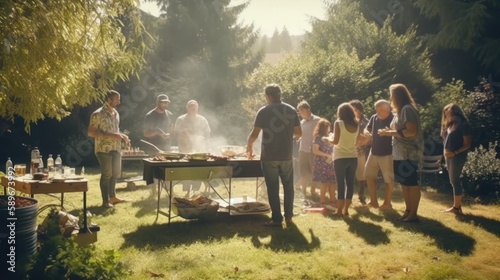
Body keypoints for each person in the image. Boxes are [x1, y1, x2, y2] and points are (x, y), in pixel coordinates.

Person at [247, 83, 302, 227]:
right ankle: (289, 217)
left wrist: (249, 148)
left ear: (268, 96)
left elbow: (254, 135)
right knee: (288, 187)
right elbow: (299, 133)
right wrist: (286, 133)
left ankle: (277, 219)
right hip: (286, 155)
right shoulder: (291, 110)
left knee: (273, 188)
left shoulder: (263, 111)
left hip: (269, 156)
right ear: (280, 95)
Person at [379, 83, 423, 222]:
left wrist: (389, 133)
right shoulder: (400, 111)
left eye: (392, 95)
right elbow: (399, 130)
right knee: (404, 182)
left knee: (411, 183)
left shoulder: (407, 109)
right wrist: (389, 131)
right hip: (399, 152)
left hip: (409, 152)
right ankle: (408, 211)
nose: (390, 98)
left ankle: (413, 214)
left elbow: (411, 131)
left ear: (398, 96)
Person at [88, 90, 130, 208]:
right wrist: (111, 136)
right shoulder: (97, 114)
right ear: (109, 99)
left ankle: (113, 197)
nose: (119, 101)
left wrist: (123, 136)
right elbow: (91, 132)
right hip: (103, 149)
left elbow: (115, 130)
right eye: (117, 99)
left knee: (115, 173)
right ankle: (105, 201)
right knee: (107, 174)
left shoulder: (116, 113)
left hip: (116, 148)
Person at [327, 103, 361, 217]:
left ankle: (339, 211)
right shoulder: (357, 124)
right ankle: (346, 210)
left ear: (340, 113)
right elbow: (357, 141)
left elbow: (335, 141)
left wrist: (327, 139)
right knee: (350, 183)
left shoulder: (339, 123)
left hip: (340, 157)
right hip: (353, 157)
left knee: (340, 183)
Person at [173, 100, 211, 196]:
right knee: (187, 170)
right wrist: (190, 137)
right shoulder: (181, 119)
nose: (193, 109)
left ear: (197, 108)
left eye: (195, 107)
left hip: (198, 150)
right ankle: (187, 191)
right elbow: (177, 134)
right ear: (187, 108)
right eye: (191, 107)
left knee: (197, 170)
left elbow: (208, 133)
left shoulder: (202, 119)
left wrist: (203, 140)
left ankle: (195, 190)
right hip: (185, 149)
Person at [441, 103, 472, 214]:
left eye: (448, 112)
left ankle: (456, 207)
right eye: (445, 113)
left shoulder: (464, 125)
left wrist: (455, 153)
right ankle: (456, 206)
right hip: (448, 156)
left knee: (455, 180)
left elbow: (467, 144)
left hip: (457, 156)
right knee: (452, 180)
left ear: (455, 112)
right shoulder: (451, 125)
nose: (446, 114)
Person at [364, 99, 395, 209]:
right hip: (374, 152)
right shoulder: (374, 117)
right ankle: (373, 202)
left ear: (388, 109)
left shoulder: (394, 118)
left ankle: (387, 203)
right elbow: (366, 129)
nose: (378, 112)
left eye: (381, 110)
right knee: (368, 175)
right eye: (377, 110)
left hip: (388, 153)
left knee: (388, 179)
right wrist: (366, 132)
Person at [296, 101, 321, 197]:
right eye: (299, 112)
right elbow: (301, 135)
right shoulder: (301, 122)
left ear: (308, 109)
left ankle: (313, 191)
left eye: (302, 111)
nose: (301, 113)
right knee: (303, 172)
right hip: (302, 149)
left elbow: (321, 134)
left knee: (314, 171)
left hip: (312, 150)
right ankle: (304, 191)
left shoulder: (317, 120)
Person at [349, 100, 371, 205]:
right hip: (348, 150)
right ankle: (347, 197)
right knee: (348, 174)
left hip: (360, 151)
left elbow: (367, 138)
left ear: (359, 110)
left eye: (354, 109)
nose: (352, 111)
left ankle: (361, 196)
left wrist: (358, 144)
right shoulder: (349, 120)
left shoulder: (365, 121)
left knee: (361, 175)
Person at [312, 118, 336, 206]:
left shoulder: (331, 136)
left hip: (331, 162)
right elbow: (315, 151)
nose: (329, 128)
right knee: (325, 182)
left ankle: (333, 200)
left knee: (333, 182)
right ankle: (323, 200)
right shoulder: (318, 137)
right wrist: (327, 155)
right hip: (322, 162)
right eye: (328, 127)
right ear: (324, 127)